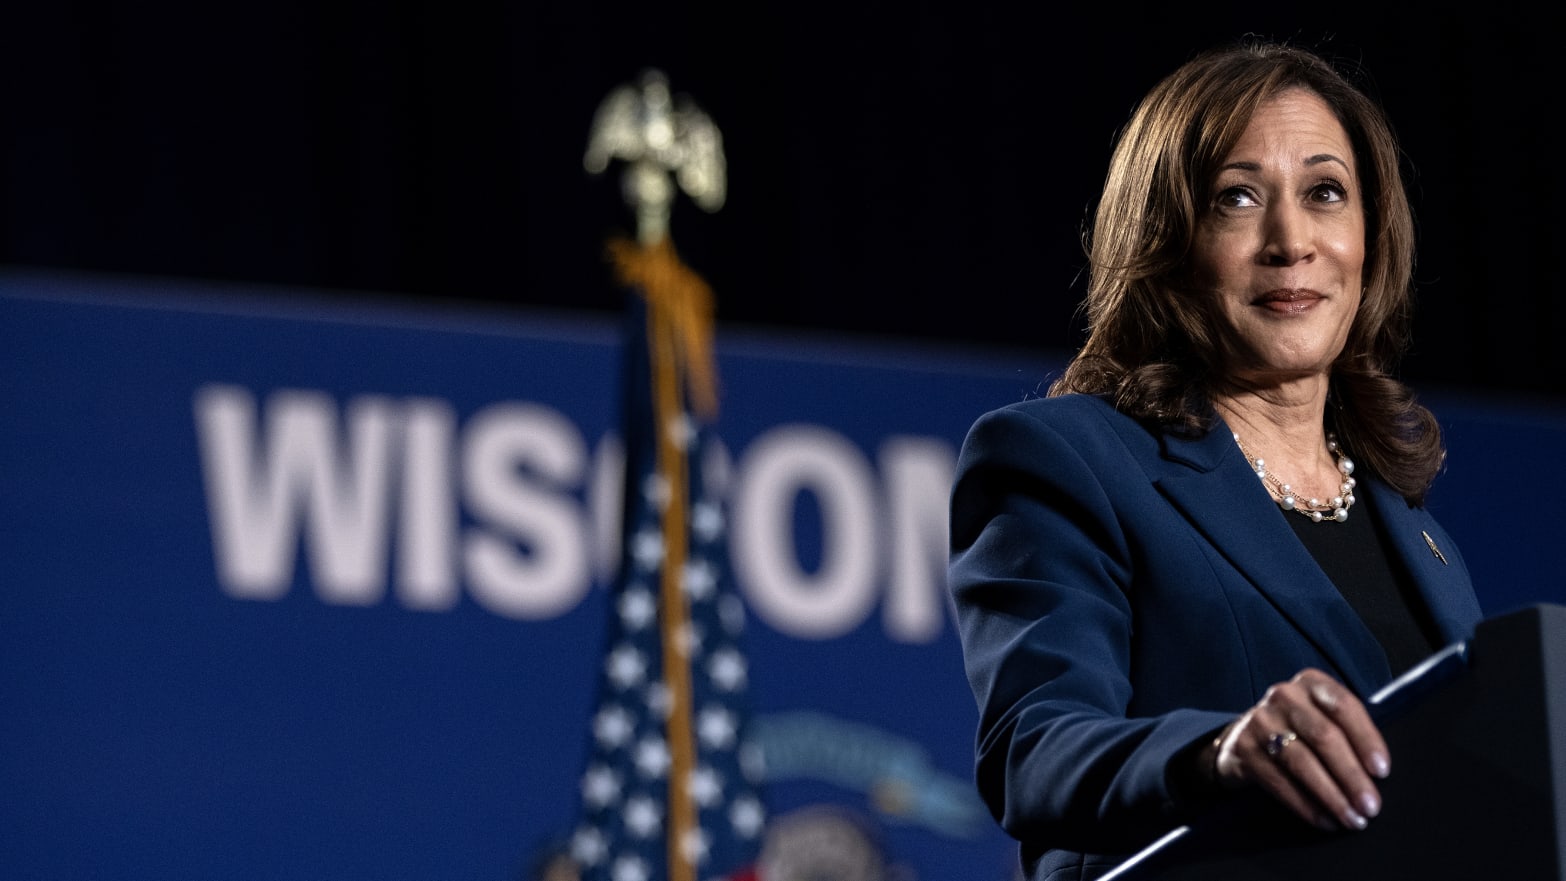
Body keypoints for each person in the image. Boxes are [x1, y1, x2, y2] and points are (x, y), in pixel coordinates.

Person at [947, 39, 1485, 881]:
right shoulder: (1067, 458)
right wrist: (1217, 752)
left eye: (1325, 193)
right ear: (1167, 241)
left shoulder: (1426, 541)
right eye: (1237, 198)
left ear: (1371, 237)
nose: (1291, 240)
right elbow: (1036, 748)